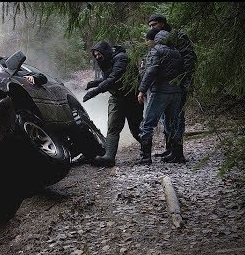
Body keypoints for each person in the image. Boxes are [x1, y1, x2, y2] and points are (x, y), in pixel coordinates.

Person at [82, 41, 143, 167]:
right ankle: (109, 157)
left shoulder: (121, 58)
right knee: (113, 127)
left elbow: (115, 77)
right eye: (95, 55)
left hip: (131, 97)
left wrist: (95, 91)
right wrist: (93, 83)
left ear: (105, 51)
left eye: (99, 54)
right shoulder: (107, 60)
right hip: (117, 97)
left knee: (136, 129)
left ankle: (146, 153)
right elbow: (108, 77)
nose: (97, 57)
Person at [147, 13, 197, 162]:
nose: (151, 28)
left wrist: (185, 81)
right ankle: (170, 149)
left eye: (154, 25)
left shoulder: (177, 36)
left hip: (179, 84)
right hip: (164, 85)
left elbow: (188, 59)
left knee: (177, 118)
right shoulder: (158, 39)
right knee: (165, 117)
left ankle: (178, 152)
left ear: (162, 24)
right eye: (150, 26)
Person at [137, 28, 184, 165]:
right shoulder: (177, 52)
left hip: (161, 92)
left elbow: (150, 72)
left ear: (156, 39)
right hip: (176, 93)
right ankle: (176, 155)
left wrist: (141, 90)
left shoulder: (156, 51)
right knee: (173, 124)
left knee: (148, 124)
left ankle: (145, 157)